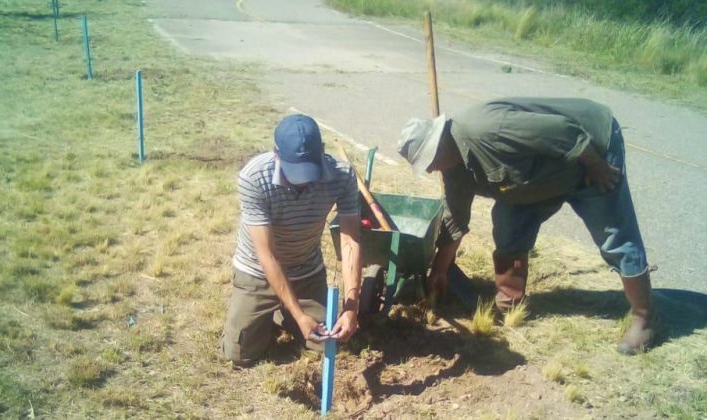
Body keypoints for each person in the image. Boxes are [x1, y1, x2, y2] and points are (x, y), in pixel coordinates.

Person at [397, 97, 656, 355]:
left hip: (590, 154)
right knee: (508, 226)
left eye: (429, 162)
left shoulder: (489, 129)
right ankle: (510, 304)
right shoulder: (454, 167)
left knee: (613, 235)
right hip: (531, 180)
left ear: (440, 143)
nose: (430, 171)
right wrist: (440, 269)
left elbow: (563, 131)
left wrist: (597, 164)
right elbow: (456, 218)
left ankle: (644, 318)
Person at [221, 114, 362, 366]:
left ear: (322, 151)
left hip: (306, 272)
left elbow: (350, 241)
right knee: (240, 356)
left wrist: (352, 307)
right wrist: (298, 315)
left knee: (325, 344)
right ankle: (280, 311)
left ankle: (283, 313)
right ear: (276, 154)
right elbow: (268, 255)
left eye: (310, 171)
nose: (304, 181)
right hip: (258, 273)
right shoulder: (254, 178)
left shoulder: (342, 175)